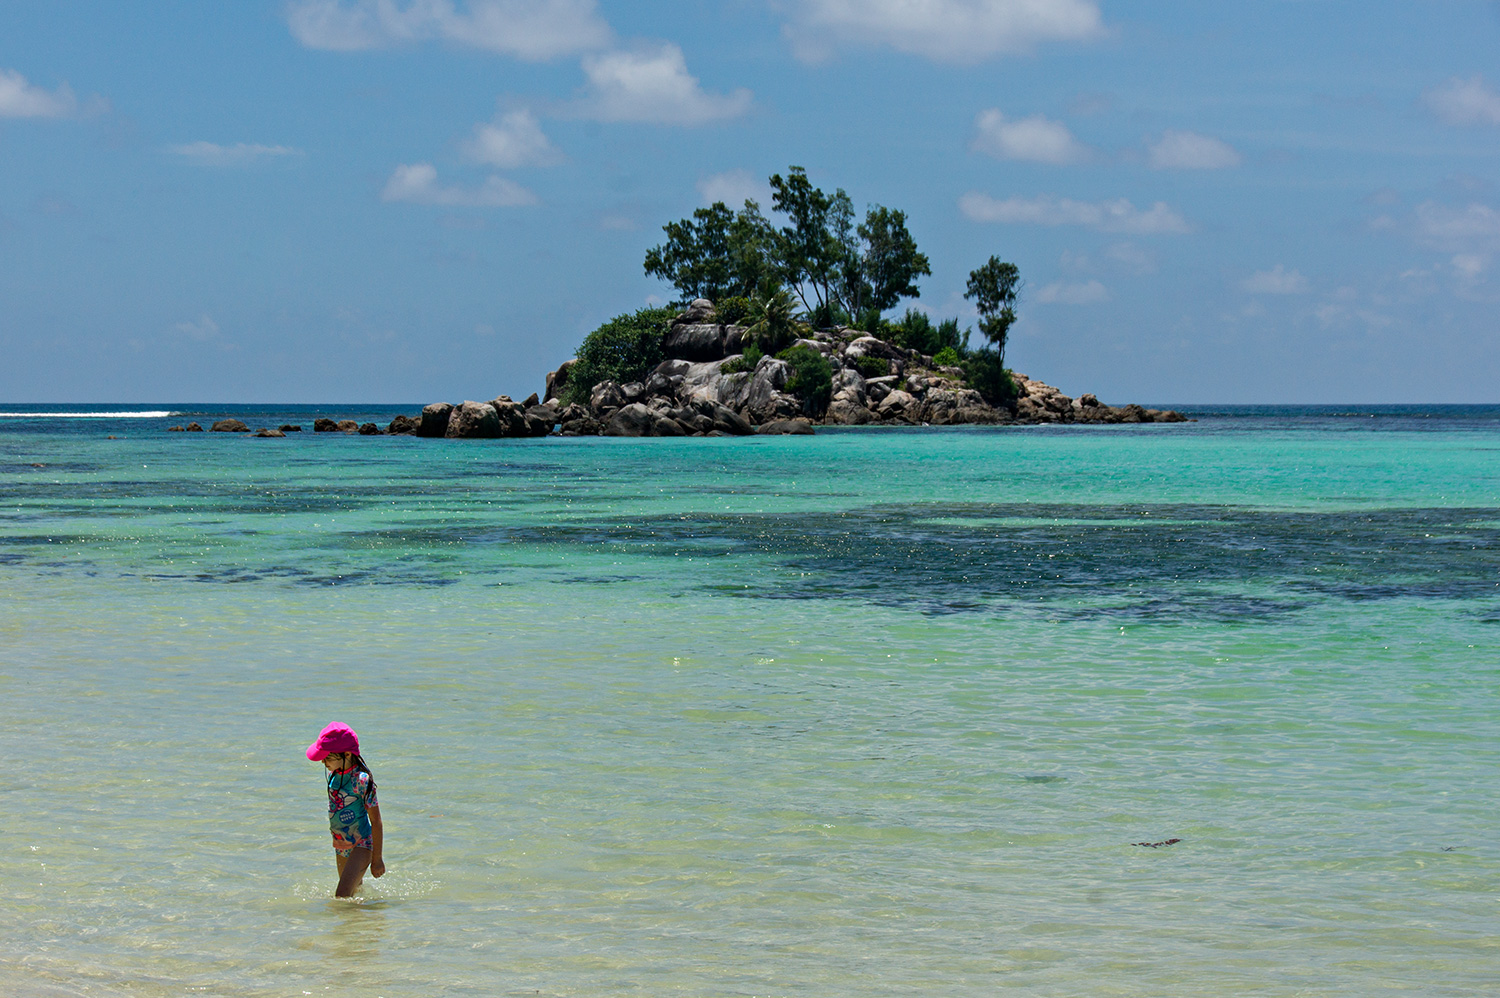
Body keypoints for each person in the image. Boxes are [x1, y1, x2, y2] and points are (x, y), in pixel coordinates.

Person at [306, 722, 385, 897]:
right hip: (340, 845)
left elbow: (376, 821)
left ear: (347, 754)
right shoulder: (335, 777)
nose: (323, 761)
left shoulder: (361, 780)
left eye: (328, 757)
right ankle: (363, 922)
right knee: (353, 893)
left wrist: (377, 858)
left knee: (342, 895)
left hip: (361, 844)